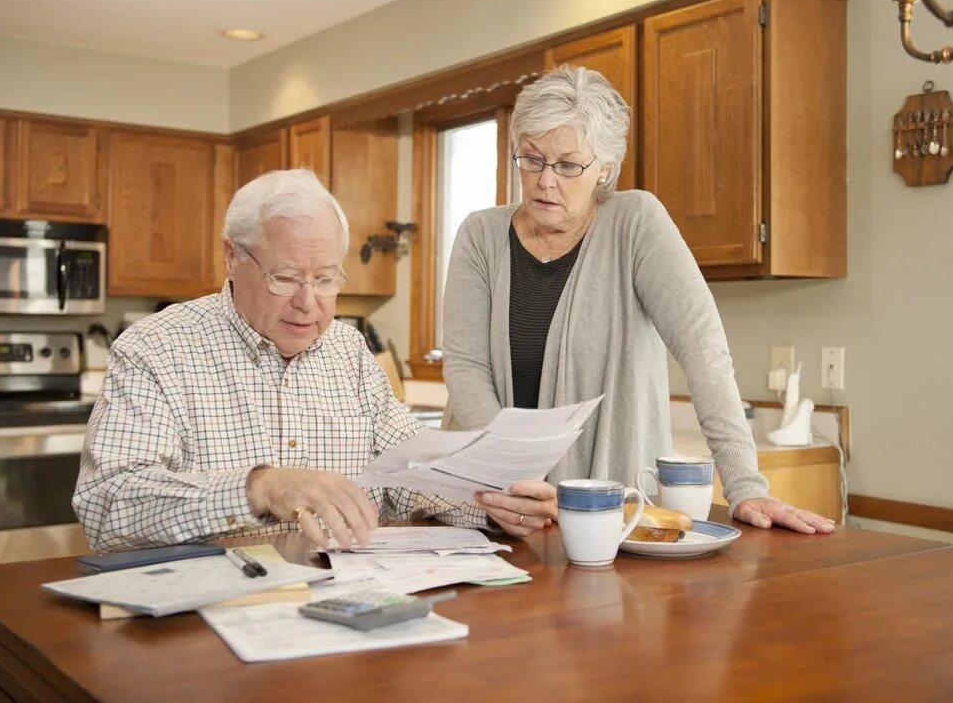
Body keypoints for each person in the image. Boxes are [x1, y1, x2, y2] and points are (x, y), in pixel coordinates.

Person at [442, 66, 835, 535]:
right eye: (532, 159)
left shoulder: (637, 223)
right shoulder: (480, 235)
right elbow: (466, 368)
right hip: (491, 505)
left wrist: (745, 484)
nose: (546, 181)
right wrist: (513, 481)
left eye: (569, 165)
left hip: (606, 512)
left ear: (604, 169)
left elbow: (702, 349)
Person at [74, 169, 554, 551]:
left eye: (325, 279)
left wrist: (495, 504)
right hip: (208, 627)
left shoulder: (348, 352)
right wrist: (259, 489)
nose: (309, 302)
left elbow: (409, 477)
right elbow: (107, 505)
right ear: (231, 257)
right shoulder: (155, 349)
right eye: (285, 277)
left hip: (352, 615)